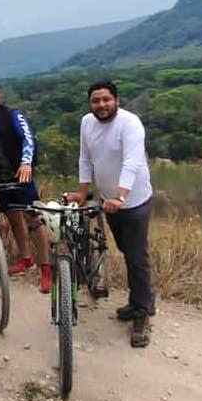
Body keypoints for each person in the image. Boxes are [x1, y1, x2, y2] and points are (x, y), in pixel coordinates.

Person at [66, 81, 155, 348]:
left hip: (134, 201)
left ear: (116, 99)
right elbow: (85, 159)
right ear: (89, 103)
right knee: (127, 251)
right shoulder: (87, 123)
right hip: (109, 202)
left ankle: (142, 311)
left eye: (106, 100)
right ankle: (140, 299)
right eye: (96, 100)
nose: (102, 105)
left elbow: (132, 161)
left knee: (137, 257)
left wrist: (121, 196)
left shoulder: (130, 123)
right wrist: (82, 193)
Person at [0, 80, 52, 293]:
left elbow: (28, 139)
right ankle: (26, 259)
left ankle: (46, 268)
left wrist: (26, 162)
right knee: (14, 219)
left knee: (33, 219)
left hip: (20, 175)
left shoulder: (12, 115)